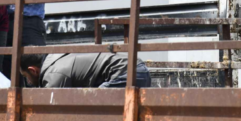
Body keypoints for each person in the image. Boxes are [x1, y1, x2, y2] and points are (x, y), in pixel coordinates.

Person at [19, 53, 151, 88]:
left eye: (26, 76)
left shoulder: (54, 75)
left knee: (92, 107)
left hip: (127, 73)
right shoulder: (56, 59)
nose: (28, 82)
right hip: (137, 69)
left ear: (33, 70)